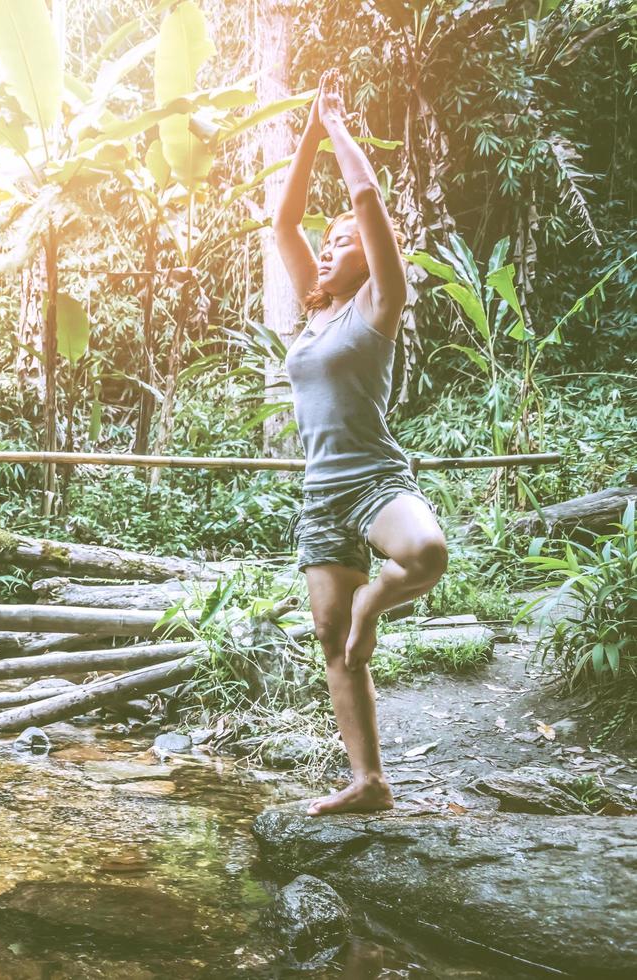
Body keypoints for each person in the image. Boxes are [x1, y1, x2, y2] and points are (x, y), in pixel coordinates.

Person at [272, 70, 448, 816]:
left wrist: (339, 126)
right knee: (328, 638)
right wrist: (306, 135)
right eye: (326, 240)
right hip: (320, 496)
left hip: (375, 477)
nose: (327, 246)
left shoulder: (378, 306)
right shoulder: (312, 317)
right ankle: (368, 780)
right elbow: (282, 224)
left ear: (367, 258)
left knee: (425, 555)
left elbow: (369, 205)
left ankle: (374, 609)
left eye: (342, 241)